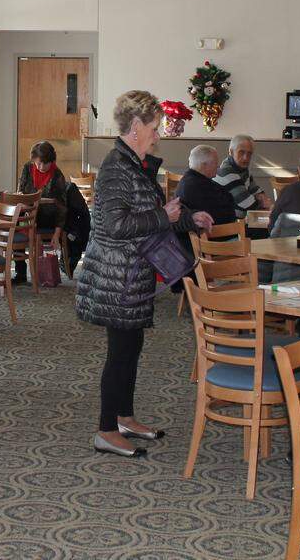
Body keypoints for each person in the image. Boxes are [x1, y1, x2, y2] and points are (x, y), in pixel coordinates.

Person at [76, 91, 213, 459]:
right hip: (116, 275)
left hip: (131, 273)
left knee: (131, 347)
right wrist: (166, 218)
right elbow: (116, 224)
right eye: (154, 128)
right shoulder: (116, 168)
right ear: (135, 127)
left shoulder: (135, 163)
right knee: (119, 352)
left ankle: (124, 417)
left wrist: (189, 219)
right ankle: (106, 429)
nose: (158, 135)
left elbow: (155, 212)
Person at [14, 140, 70, 285]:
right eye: (38, 163)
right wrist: (22, 198)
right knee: (15, 218)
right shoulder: (28, 168)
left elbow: (62, 207)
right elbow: (20, 190)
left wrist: (57, 234)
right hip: (28, 213)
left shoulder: (57, 175)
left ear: (52, 161)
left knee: (20, 220)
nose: (41, 167)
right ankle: (20, 272)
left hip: (47, 216)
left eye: (45, 163)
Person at [174, 145, 237, 226]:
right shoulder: (198, 186)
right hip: (212, 235)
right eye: (215, 163)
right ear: (204, 165)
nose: (218, 167)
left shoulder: (191, 179)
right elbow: (222, 215)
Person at [215, 134, 272, 218]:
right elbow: (249, 205)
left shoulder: (242, 169)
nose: (246, 158)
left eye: (249, 154)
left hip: (240, 221)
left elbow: (255, 189)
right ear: (231, 152)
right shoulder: (227, 172)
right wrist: (263, 202)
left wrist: (262, 198)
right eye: (241, 152)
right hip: (228, 225)